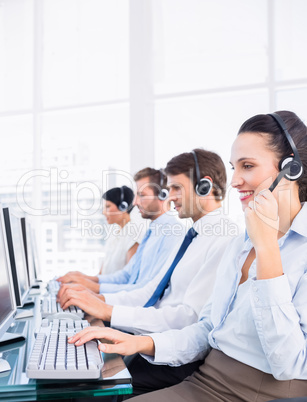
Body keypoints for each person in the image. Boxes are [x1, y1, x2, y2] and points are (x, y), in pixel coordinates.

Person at [69, 111, 307, 401]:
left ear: (290, 169)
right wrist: (139, 342)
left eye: (248, 166)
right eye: (234, 167)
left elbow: (288, 363)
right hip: (207, 374)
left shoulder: (273, 245)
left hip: (258, 392)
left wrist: (267, 247)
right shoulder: (240, 243)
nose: (235, 181)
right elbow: (207, 328)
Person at [61, 149, 238, 392]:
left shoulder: (223, 239)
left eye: (176, 188)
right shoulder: (193, 235)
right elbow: (150, 292)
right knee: (78, 368)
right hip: (156, 338)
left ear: (203, 187)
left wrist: (108, 309)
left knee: (87, 387)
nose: (170, 196)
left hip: (176, 353)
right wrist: (101, 303)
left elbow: (190, 318)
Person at [57, 168, 185, 294]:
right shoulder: (152, 232)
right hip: (128, 302)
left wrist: (94, 290)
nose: (134, 202)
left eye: (142, 195)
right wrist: (86, 280)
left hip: (138, 308)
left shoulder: (172, 233)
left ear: (163, 195)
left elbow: (147, 291)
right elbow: (127, 275)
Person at [99, 185, 144, 275]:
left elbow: (129, 276)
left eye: (108, 206)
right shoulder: (114, 233)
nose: (103, 212)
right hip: (103, 286)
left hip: (115, 288)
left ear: (123, 207)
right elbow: (102, 272)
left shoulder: (133, 235)